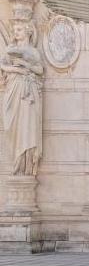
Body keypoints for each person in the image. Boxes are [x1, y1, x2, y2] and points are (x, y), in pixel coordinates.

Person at [2, 21, 44, 176]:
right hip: (13, 90)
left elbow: (40, 69)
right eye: (14, 30)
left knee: (27, 126)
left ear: (28, 32)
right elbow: (3, 66)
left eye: (19, 29)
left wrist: (25, 64)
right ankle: (16, 159)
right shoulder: (10, 49)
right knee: (11, 125)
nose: (16, 32)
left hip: (28, 93)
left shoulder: (33, 52)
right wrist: (16, 69)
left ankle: (25, 164)